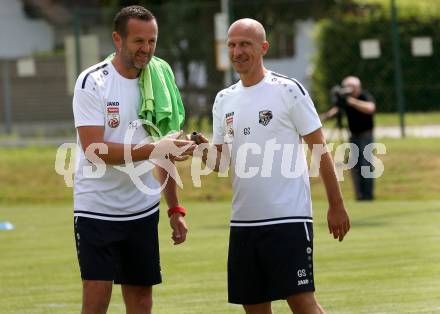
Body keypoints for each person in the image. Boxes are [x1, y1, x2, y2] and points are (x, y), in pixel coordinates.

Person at [192, 19, 350, 314]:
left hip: (287, 220)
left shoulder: (288, 90)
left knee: (302, 303)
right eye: (232, 45)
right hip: (244, 223)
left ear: (263, 47)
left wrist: (336, 205)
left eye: (245, 44)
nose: (237, 51)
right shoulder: (223, 100)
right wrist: (199, 147)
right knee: (253, 307)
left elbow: (320, 149)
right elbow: (222, 163)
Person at [72, 6, 195, 314]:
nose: (147, 49)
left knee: (141, 301)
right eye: (139, 41)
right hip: (97, 210)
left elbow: (163, 152)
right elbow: (94, 151)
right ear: (118, 39)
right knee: (96, 299)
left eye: (152, 41)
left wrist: (174, 209)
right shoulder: (93, 82)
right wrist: (153, 149)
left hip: (142, 210)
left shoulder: (158, 81)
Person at [321, 76, 376, 201]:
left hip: (366, 135)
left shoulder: (364, 96)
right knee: (355, 165)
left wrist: (352, 102)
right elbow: (336, 110)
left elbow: (370, 108)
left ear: (358, 87)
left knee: (366, 164)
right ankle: (359, 195)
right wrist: (323, 117)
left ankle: (368, 195)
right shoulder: (344, 100)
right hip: (353, 136)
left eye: (352, 87)